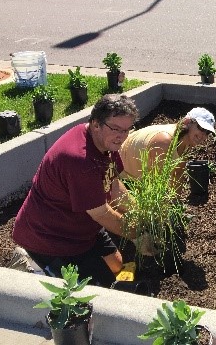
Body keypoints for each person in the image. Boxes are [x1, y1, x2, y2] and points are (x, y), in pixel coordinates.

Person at [12, 94, 141, 287]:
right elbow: (102, 213)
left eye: (126, 130)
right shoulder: (79, 159)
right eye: (116, 129)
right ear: (96, 124)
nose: (122, 136)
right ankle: (29, 263)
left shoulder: (106, 141)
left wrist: (140, 215)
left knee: (117, 265)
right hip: (51, 237)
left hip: (81, 225)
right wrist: (137, 234)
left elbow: (113, 185)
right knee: (96, 292)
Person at [119, 107, 216, 190]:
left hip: (138, 179)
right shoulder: (164, 142)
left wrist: (175, 205)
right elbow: (155, 186)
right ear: (188, 122)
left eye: (207, 133)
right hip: (120, 174)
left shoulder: (186, 142)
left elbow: (178, 174)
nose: (203, 136)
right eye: (201, 128)